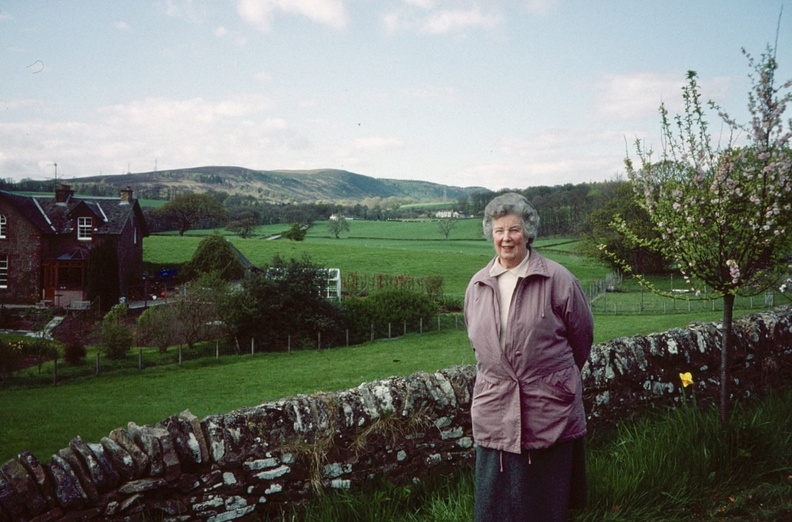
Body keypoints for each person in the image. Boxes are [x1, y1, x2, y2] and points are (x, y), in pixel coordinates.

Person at [464, 192, 594, 522]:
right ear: (490, 234)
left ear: (528, 232)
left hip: (548, 407)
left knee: (542, 503)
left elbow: (582, 340)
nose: (506, 238)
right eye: (499, 230)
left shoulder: (558, 279)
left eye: (514, 229)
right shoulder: (477, 285)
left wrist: (551, 378)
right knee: (496, 505)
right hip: (495, 405)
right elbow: (478, 345)